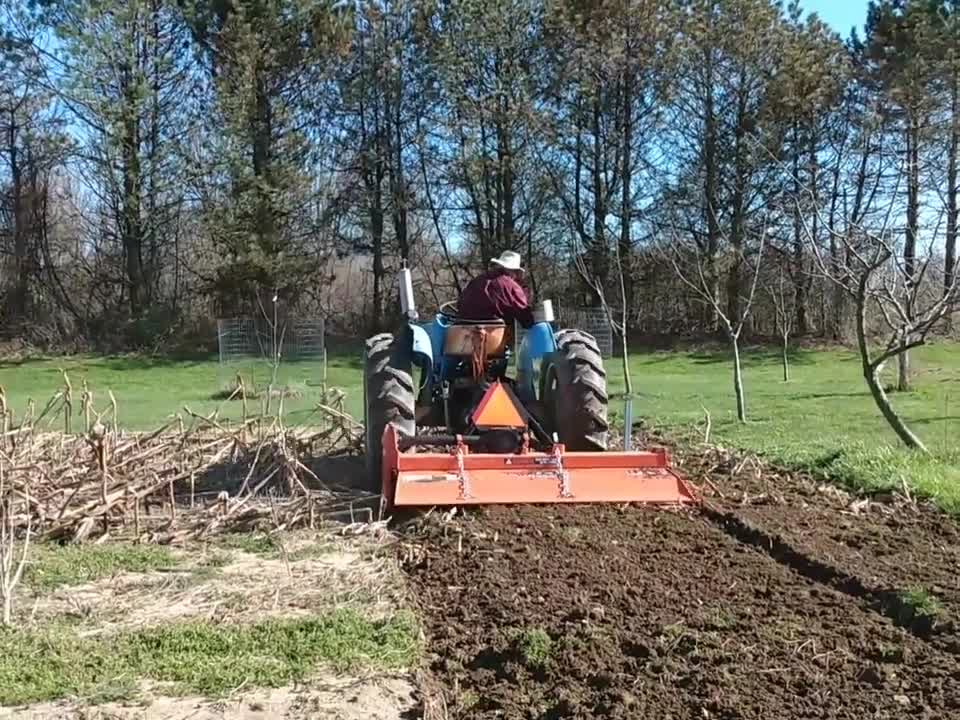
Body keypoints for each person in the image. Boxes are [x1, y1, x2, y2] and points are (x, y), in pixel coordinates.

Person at [457, 251, 535, 328]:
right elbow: (526, 318)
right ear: (513, 271)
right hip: (491, 331)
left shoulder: (477, 280)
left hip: (462, 327)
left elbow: (460, 303)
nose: (516, 276)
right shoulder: (511, 286)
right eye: (516, 272)